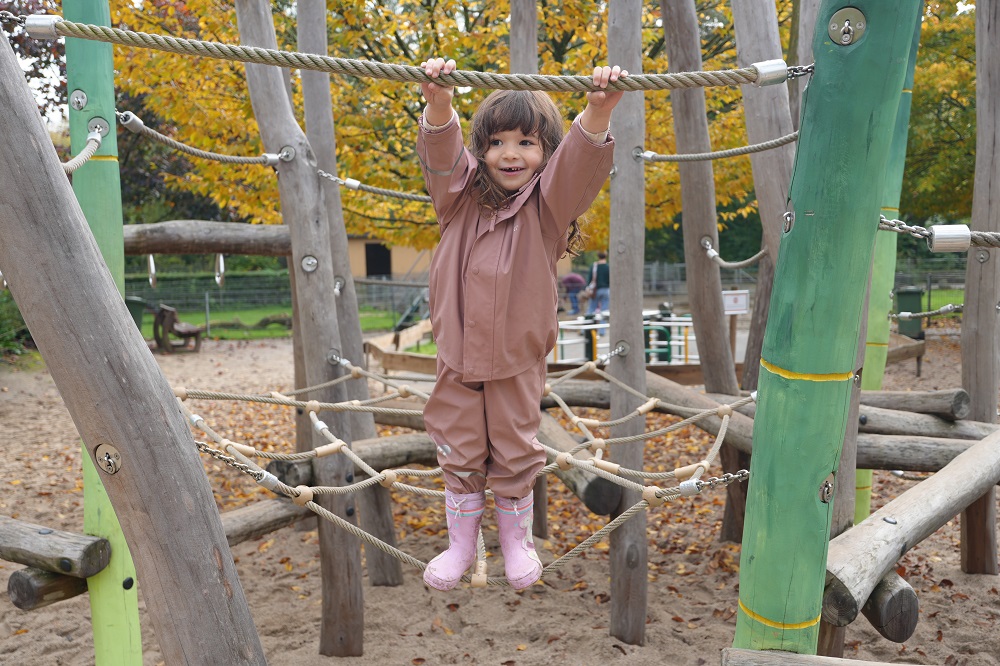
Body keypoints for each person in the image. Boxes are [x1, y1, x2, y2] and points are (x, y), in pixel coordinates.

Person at [417, 56, 627, 591]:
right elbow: (441, 157)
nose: (510, 154)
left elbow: (578, 169)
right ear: (481, 151)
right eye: (498, 142)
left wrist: (596, 115)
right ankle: (461, 543)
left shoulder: (547, 210)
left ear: (545, 155)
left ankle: (516, 539)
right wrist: (439, 104)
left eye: (527, 143)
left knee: (514, 447)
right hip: (456, 355)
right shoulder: (457, 200)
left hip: (516, 359)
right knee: (458, 444)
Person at [587, 251, 610, 315]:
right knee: (605, 310)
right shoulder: (608, 267)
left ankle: (589, 322)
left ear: (598, 256)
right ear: (606, 256)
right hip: (606, 290)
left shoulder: (594, 266)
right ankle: (603, 324)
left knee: (591, 308)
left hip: (595, 290)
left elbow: (590, 279)